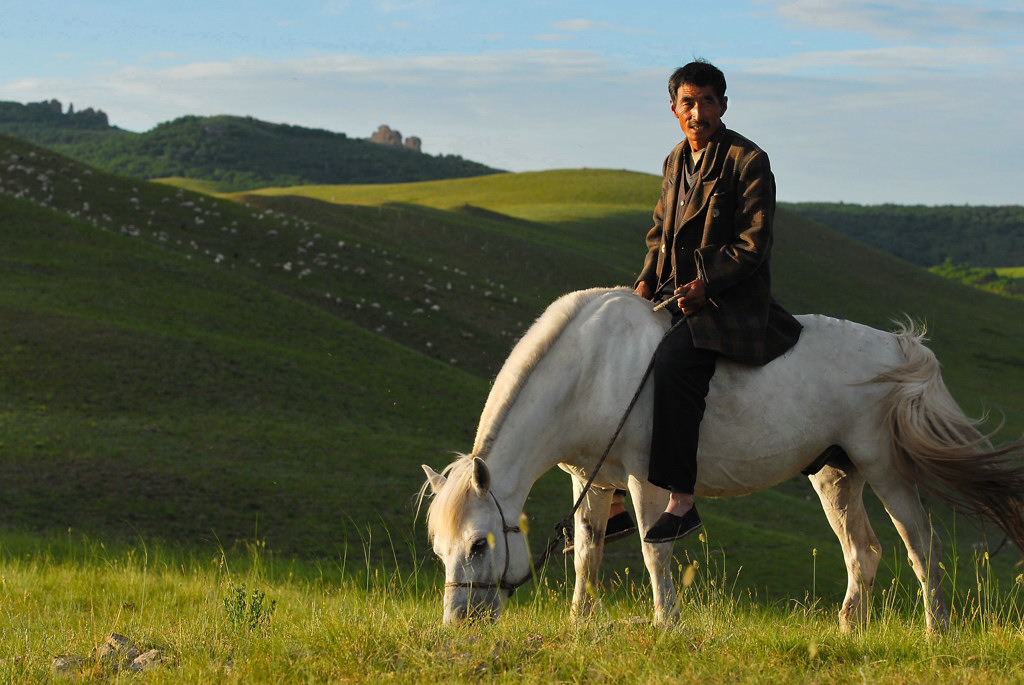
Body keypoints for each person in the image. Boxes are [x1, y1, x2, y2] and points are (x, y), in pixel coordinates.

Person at [634, 60, 803, 543]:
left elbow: (754, 244)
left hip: (728, 302)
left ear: (723, 105)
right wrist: (645, 285)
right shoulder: (674, 161)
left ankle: (682, 501)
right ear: (674, 109)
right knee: (619, 352)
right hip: (675, 296)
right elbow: (657, 238)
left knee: (672, 362)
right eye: (688, 102)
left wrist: (706, 283)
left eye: (707, 100)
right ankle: (620, 498)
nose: (698, 111)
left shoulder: (748, 160)